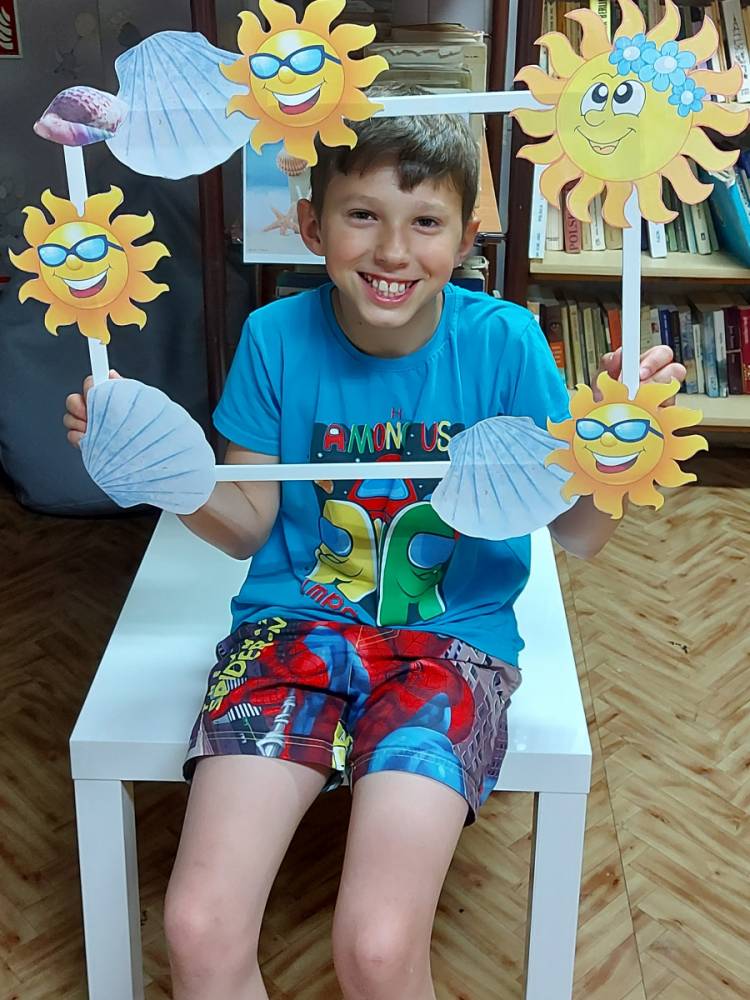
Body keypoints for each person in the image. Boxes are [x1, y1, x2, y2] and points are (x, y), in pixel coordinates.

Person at [64, 97, 686, 1000]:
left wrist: (623, 452)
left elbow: (580, 533)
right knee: (198, 928)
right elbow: (246, 526)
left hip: (447, 648)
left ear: (466, 238)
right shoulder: (275, 337)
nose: (393, 251)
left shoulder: (506, 343)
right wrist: (165, 470)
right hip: (293, 633)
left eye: (425, 222)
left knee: (380, 948)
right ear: (312, 225)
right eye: (363, 215)